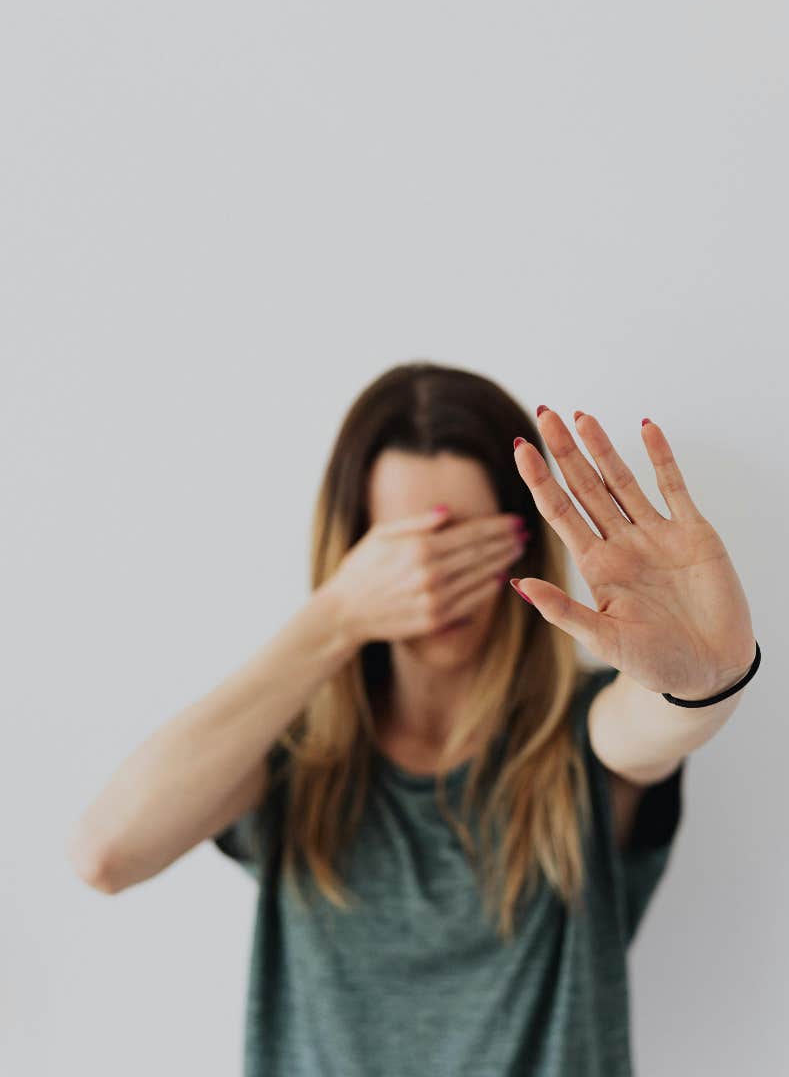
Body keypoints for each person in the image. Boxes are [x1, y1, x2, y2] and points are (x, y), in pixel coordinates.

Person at [68, 359, 737, 1076]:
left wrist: (709, 676)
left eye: (469, 545)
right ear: (353, 549)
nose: (435, 582)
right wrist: (337, 616)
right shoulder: (289, 754)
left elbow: (658, 724)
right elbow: (106, 855)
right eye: (407, 548)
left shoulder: (579, 731)